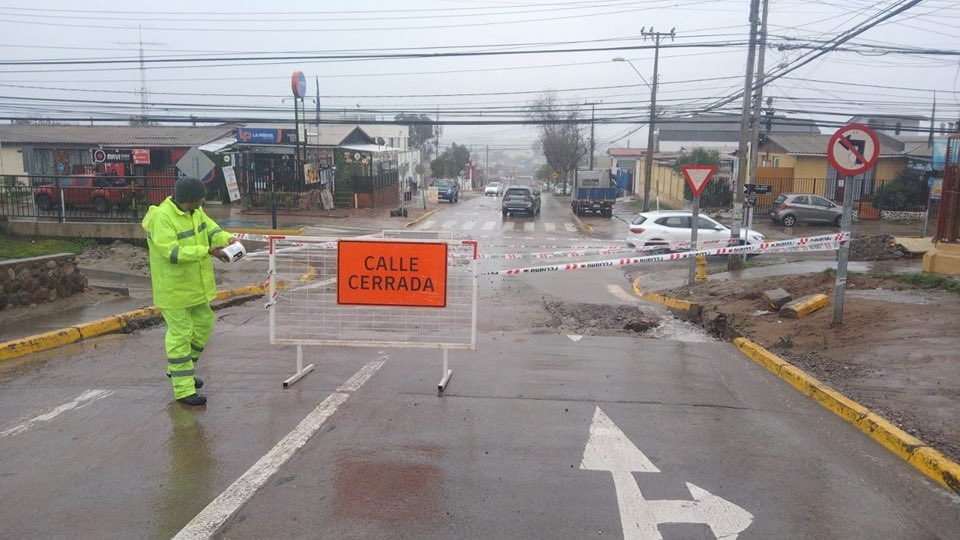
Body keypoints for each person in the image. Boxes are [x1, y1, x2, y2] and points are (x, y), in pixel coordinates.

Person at [142, 177, 237, 406]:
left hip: (195, 288)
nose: (203, 201)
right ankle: (183, 389)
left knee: (203, 324)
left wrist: (227, 239)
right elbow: (172, 253)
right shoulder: (162, 218)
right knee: (181, 336)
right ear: (191, 199)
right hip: (173, 291)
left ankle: (180, 369)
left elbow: (211, 230)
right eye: (201, 198)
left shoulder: (195, 212)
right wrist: (207, 251)